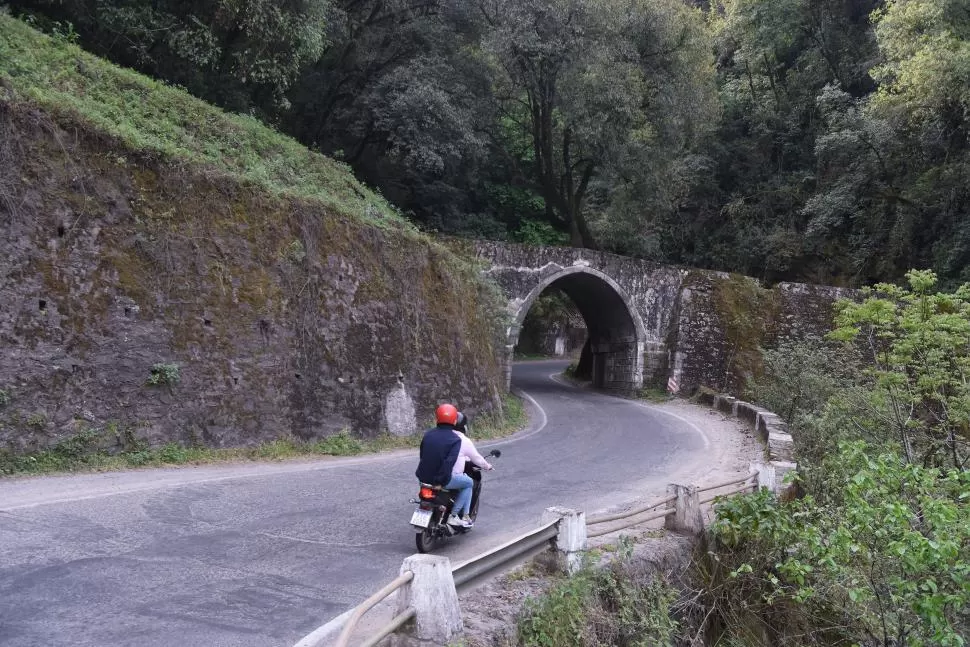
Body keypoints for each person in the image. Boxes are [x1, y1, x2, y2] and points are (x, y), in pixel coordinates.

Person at [415, 403, 473, 528]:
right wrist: (440, 481)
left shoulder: (428, 434)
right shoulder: (455, 439)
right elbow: (449, 463)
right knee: (468, 483)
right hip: (439, 480)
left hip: (423, 477)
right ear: (454, 420)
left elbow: (422, 455)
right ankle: (453, 516)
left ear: (438, 418)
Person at [450, 412, 493, 526]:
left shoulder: (440, 436)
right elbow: (477, 458)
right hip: (448, 477)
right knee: (469, 483)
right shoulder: (464, 440)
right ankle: (456, 515)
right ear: (463, 426)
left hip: (428, 476)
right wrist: (487, 466)